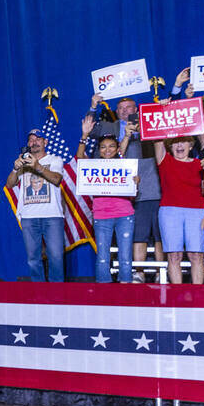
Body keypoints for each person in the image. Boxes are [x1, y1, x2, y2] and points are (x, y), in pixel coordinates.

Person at [88, 95, 162, 282]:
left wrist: (164, 105)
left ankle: (154, 276)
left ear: (136, 110)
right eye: (121, 108)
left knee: (152, 236)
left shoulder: (148, 124)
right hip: (114, 195)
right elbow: (90, 130)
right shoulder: (108, 128)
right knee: (123, 244)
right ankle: (124, 279)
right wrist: (93, 106)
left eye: (129, 107)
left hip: (147, 187)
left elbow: (165, 131)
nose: (125, 111)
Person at [78, 114, 139, 283]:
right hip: (101, 216)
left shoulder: (122, 163)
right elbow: (80, 157)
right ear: (99, 149)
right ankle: (104, 293)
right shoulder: (93, 166)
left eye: (111, 146)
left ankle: (125, 289)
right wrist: (84, 136)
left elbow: (123, 151)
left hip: (125, 215)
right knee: (103, 257)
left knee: (125, 257)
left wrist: (135, 182)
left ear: (117, 148)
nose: (107, 150)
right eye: (103, 147)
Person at [7, 128, 65, 282]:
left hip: (52, 216)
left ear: (45, 142)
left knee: (56, 256)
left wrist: (37, 166)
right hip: (29, 217)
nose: (34, 142)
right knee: (33, 258)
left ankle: (58, 294)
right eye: (31, 140)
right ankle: (37, 294)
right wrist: (15, 168)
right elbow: (9, 185)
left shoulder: (55, 160)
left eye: (38, 139)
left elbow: (57, 179)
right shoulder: (23, 164)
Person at [154, 136, 204, 284]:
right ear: (169, 146)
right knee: (174, 256)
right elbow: (156, 137)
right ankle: (176, 295)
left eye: (183, 142)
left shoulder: (201, 164)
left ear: (191, 146)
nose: (179, 145)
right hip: (169, 212)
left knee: (196, 255)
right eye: (175, 143)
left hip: (197, 212)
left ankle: (197, 293)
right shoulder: (164, 160)